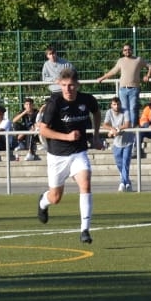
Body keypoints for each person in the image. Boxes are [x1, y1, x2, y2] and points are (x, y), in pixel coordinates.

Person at [35, 67, 102, 244]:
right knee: (55, 197)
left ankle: (85, 230)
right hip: (57, 155)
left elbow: (96, 112)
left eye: (71, 85)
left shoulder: (87, 99)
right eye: (64, 85)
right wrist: (67, 137)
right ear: (59, 84)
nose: (68, 89)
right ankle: (43, 202)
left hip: (79, 152)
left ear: (77, 85)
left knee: (85, 183)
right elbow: (43, 130)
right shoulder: (54, 103)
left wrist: (96, 136)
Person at [97, 43, 149, 124]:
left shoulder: (138, 59)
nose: (127, 51)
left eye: (129, 49)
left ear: (132, 50)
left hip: (134, 89)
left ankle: (133, 128)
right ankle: (126, 127)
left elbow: (150, 66)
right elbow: (113, 71)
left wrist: (147, 75)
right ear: (123, 51)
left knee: (133, 108)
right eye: (125, 50)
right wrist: (102, 78)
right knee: (124, 109)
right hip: (123, 89)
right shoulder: (120, 61)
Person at [101, 96, 134, 191]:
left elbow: (127, 124)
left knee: (125, 163)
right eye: (114, 104)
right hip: (117, 143)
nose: (116, 106)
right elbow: (104, 125)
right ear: (111, 105)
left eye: (118, 104)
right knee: (119, 164)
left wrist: (117, 129)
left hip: (128, 141)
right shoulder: (109, 112)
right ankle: (128, 182)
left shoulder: (125, 111)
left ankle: (122, 183)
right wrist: (112, 129)